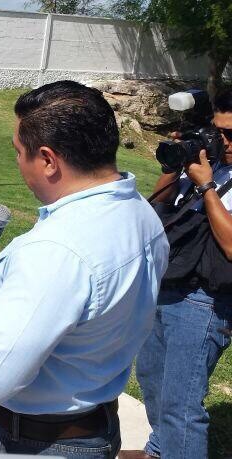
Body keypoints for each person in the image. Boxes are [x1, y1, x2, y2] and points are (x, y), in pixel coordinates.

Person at [0, 80, 169, 457]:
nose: (17, 163)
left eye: (19, 152)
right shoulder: (142, 214)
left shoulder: (56, 250)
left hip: (30, 443)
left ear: (49, 160)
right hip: (95, 426)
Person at [123, 90, 232, 459]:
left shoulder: (211, 176)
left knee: (181, 404)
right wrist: (176, 164)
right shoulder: (211, 161)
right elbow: (160, 205)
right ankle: (159, 449)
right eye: (218, 131)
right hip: (168, 284)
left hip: (206, 301)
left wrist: (206, 186)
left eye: (231, 134)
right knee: (152, 380)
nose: (223, 141)